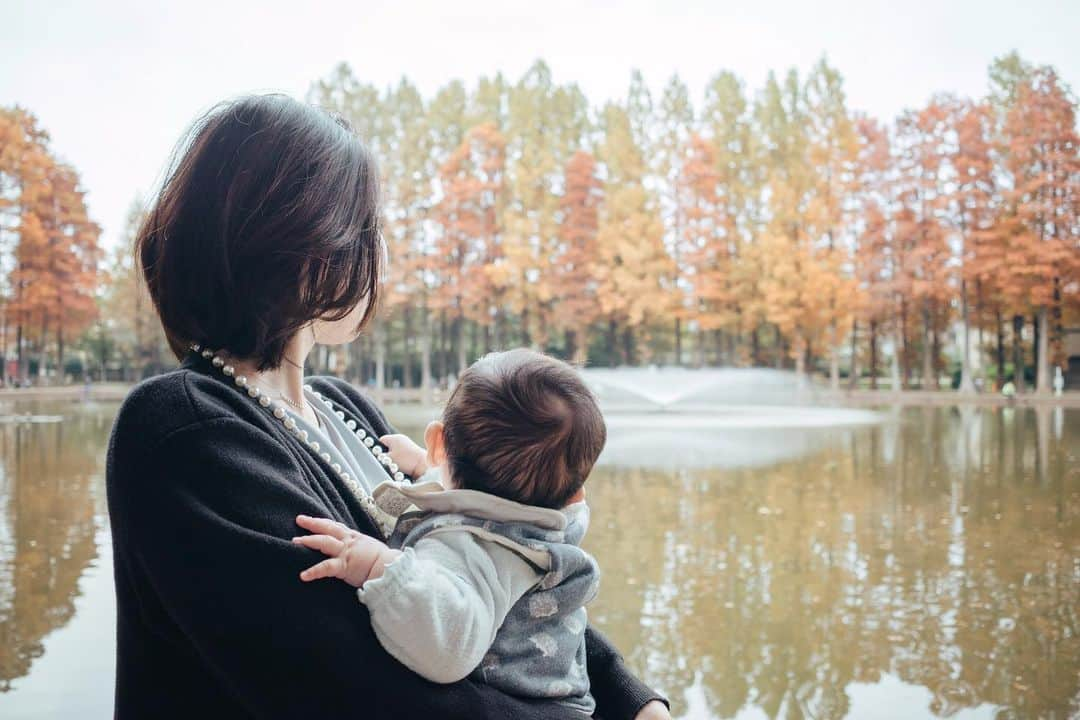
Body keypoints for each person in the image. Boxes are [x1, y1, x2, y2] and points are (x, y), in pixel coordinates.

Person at [106, 94, 669, 719]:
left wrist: (631, 700)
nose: (378, 258)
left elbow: (502, 571)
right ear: (308, 250)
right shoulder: (188, 429)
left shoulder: (346, 411)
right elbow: (362, 692)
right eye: (366, 232)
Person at [293, 349, 605, 713]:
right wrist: (427, 469)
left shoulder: (470, 547)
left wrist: (380, 567)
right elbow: (478, 499)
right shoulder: (540, 531)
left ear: (439, 442)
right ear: (575, 494)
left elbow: (450, 649)